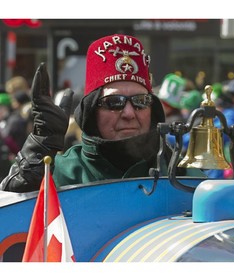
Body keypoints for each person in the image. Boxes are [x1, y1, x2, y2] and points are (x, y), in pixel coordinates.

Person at [1, 34, 204, 193]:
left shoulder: (180, 171)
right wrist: (38, 150)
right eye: (114, 102)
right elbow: (13, 225)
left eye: (140, 101)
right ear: (91, 111)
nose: (128, 113)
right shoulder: (61, 172)